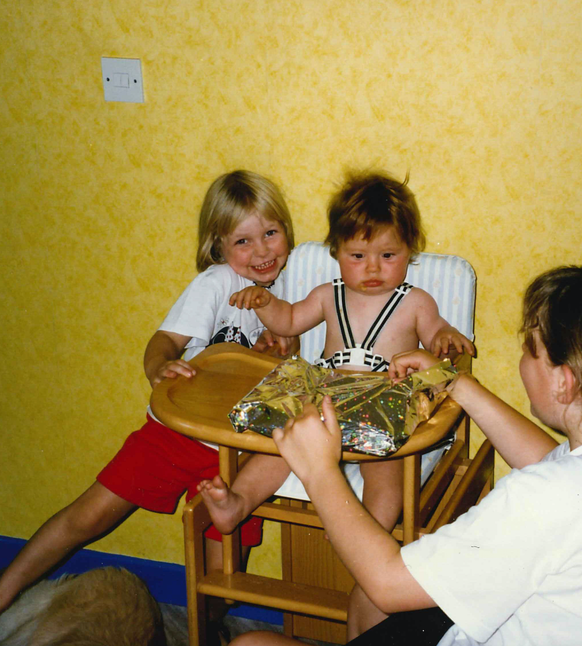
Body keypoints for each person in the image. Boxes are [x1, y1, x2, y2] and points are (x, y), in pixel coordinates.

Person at [231, 265, 582, 646]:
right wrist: (458, 384)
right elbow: (550, 460)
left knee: (251, 643)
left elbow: (387, 582)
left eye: (531, 349)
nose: (522, 357)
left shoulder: (550, 499)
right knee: (368, 608)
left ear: (565, 382)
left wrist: (318, 470)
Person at [0, 170, 297, 646]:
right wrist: (160, 366)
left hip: (238, 454)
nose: (262, 251)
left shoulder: (301, 289)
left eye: (271, 233)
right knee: (89, 516)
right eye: (244, 240)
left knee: (221, 579)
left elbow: (290, 364)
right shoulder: (217, 283)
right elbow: (165, 339)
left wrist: (275, 353)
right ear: (218, 245)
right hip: (175, 436)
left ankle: (209, 627)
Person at [197, 171, 475, 639]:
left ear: (410, 252)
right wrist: (265, 302)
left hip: (383, 400)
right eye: (357, 256)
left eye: (389, 256)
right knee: (277, 440)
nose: (372, 269)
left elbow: (438, 341)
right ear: (336, 254)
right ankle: (237, 503)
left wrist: (447, 337)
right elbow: (289, 319)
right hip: (324, 396)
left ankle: (364, 528)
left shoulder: (416, 302)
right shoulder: (328, 296)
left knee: (385, 465)